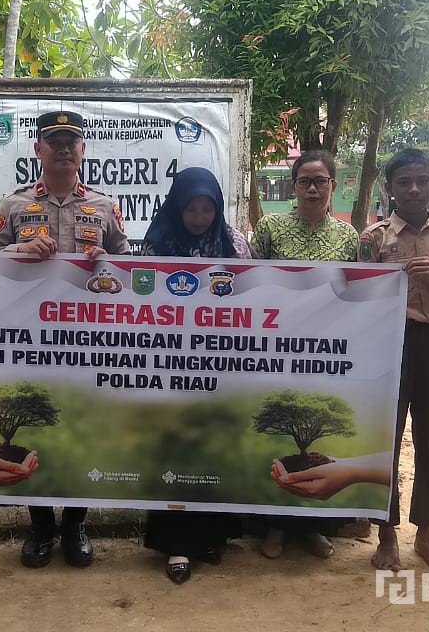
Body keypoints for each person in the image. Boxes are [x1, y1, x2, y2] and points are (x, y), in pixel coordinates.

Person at [0, 109, 131, 569]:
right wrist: (20, 248)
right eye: (55, 141)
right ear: (38, 149)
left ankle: (75, 523)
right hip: (31, 339)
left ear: (83, 150)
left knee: (83, 427)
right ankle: (41, 524)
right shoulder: (14, 205)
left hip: (88, 342)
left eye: (72, 141)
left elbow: (130, 264)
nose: (64, 148)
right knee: (35, 424)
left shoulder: (105, 206)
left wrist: (108, 259)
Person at [359, 148, 429, 572]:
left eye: (422, 181)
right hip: (388, 344)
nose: (413, 189)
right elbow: (359, 298)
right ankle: (386, 535)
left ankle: (425, 534)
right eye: (404, 182)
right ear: (390, 188)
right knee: (384, 441)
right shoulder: (373, 238)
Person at [140, 166, 246, 584]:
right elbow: (141, 302)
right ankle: (177, 544)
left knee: (215, 448)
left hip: (221, 366)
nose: (200, 217)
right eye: (191, 208)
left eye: (207, 209)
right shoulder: (158, 245)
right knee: (176, 449)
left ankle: (211, 537)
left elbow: (253, 299)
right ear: (176, 207)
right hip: (169, 368)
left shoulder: (234, 244)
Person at [250, 150, 357, 560]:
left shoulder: (348, 237)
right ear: (293, 187)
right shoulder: (270, 229)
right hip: (277, 349)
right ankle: (274, 527)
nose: (313, 189)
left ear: (333, 186)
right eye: (304, 181)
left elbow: (355, 293)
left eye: (321, 181)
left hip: (327, 352)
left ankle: (313, 528)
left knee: (318, 437)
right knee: (280, 432)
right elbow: (253, 284)